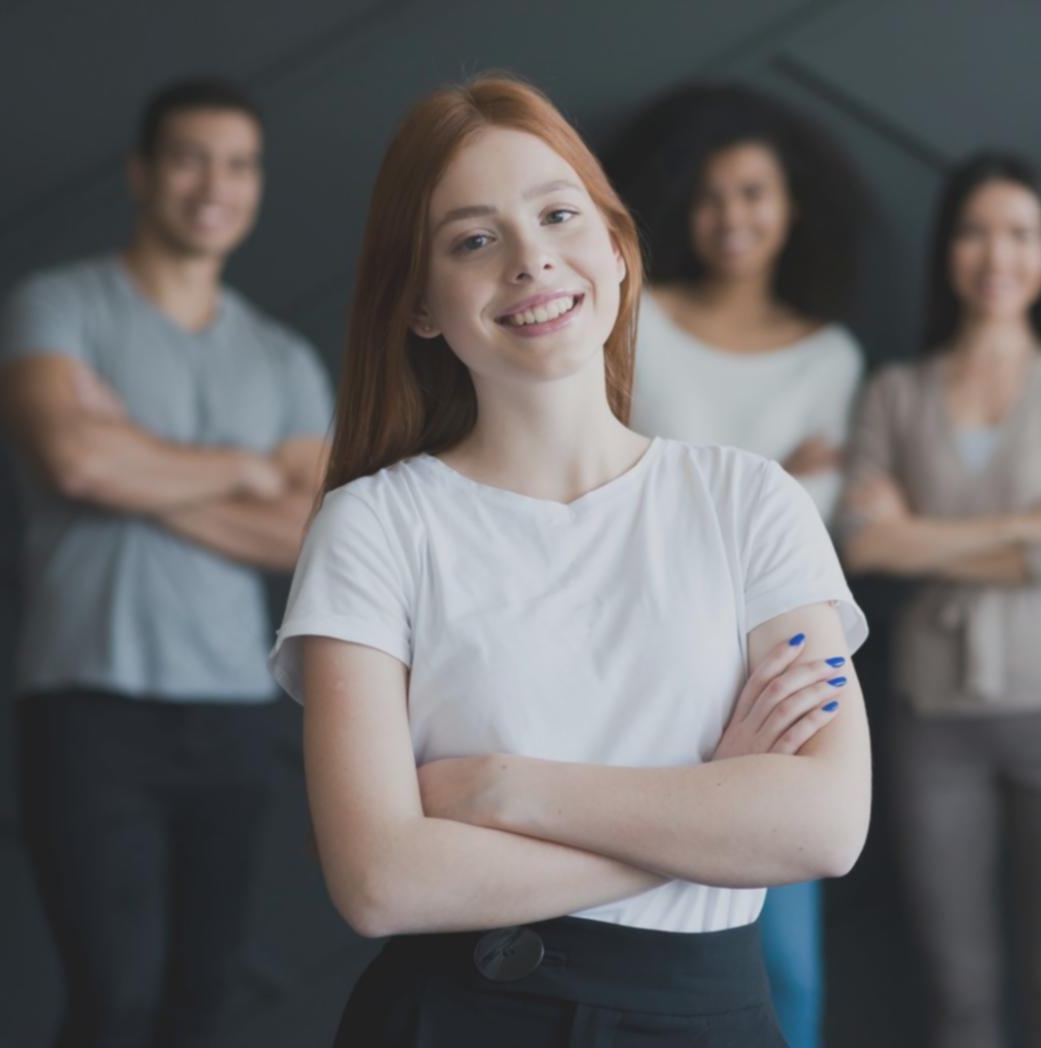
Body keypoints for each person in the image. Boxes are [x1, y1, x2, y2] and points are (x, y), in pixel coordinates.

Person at [267, 75, 872, 1046]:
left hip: (707, 1016)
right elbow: (381, 882)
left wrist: (508, 789)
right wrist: (711, 809)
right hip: (455, 1014)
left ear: (618, 248)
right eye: (473, 238)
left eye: (557, 214)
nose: (530, 259)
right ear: (418, 302)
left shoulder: (751, 500)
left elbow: (823, 824)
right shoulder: (373, 526)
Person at [0, 78, 333, 1047]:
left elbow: (311, 538)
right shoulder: (55, 305)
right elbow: (75, 457)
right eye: (190, 158)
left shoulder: (281, 357)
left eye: (238, 164)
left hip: (233, 711)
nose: (213, 185)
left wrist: (136, 468)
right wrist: (246, 469)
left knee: (203, 1005)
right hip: (88, 706)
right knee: (111, 1002)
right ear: (142, 173)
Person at [839, 152, 1041, 1048]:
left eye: (1020, 233)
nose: (997, 255)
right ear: (947, 250)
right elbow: (861, 544)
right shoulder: (893, 391)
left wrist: (925, 537)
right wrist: (1031, 521)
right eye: (975, 231)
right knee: (959, 994)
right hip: (935, 715)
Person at [605, 83, 869, 1045]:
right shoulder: (638, 317)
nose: (732, 217)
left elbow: (815, 539)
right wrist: (778, 481)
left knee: (785, 968)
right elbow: (610, 489)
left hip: (779, 677)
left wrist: (763, 497)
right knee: (624, 934)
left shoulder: (831, 356)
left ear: (791, 207)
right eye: (713, 195)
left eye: (754, 193)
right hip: (635, 663)